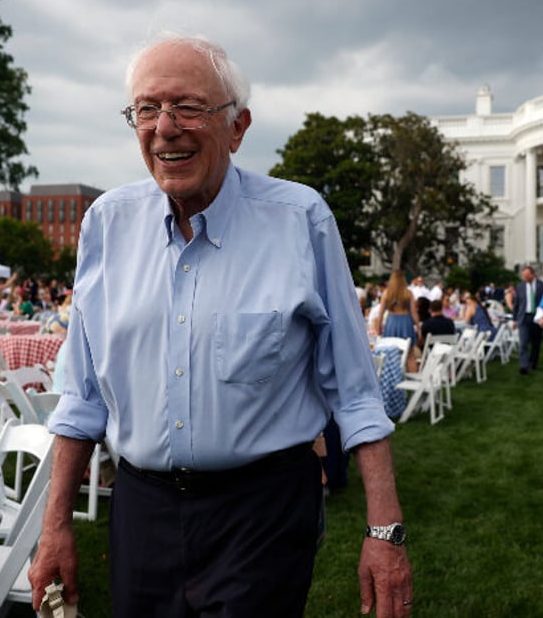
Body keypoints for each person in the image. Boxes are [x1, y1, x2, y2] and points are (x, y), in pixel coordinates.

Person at [28, 33, 412, 617]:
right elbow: (81, 398)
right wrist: (54, 526)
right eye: (147, 109)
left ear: (237, 127)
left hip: (263, 513)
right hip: (142, 509)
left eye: (187, 107)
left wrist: (384, 531)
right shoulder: (106, 224)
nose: (164, 128)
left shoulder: (300, 220)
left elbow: (355, 392)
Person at [375, 269, 420, 373]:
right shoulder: (408, 293)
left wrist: (379, 328)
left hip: (392, 322)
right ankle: (413, 380)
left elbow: (380, 313)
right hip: (405, 322)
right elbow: (414, 312)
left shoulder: (387, 293)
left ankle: (391, 378)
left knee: (390, 353)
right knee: (410, 355)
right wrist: (418, 327)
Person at [509, 266, 543, 375]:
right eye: (523, 276)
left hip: (537, 317)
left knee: (536, 343)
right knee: (523, 342)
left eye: (526, 275)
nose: (524, 277)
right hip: (524, 317)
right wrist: (514, 319)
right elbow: (516, 304)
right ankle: (524, 365)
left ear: (533, 274)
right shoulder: (520, 287)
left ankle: (533, 362)